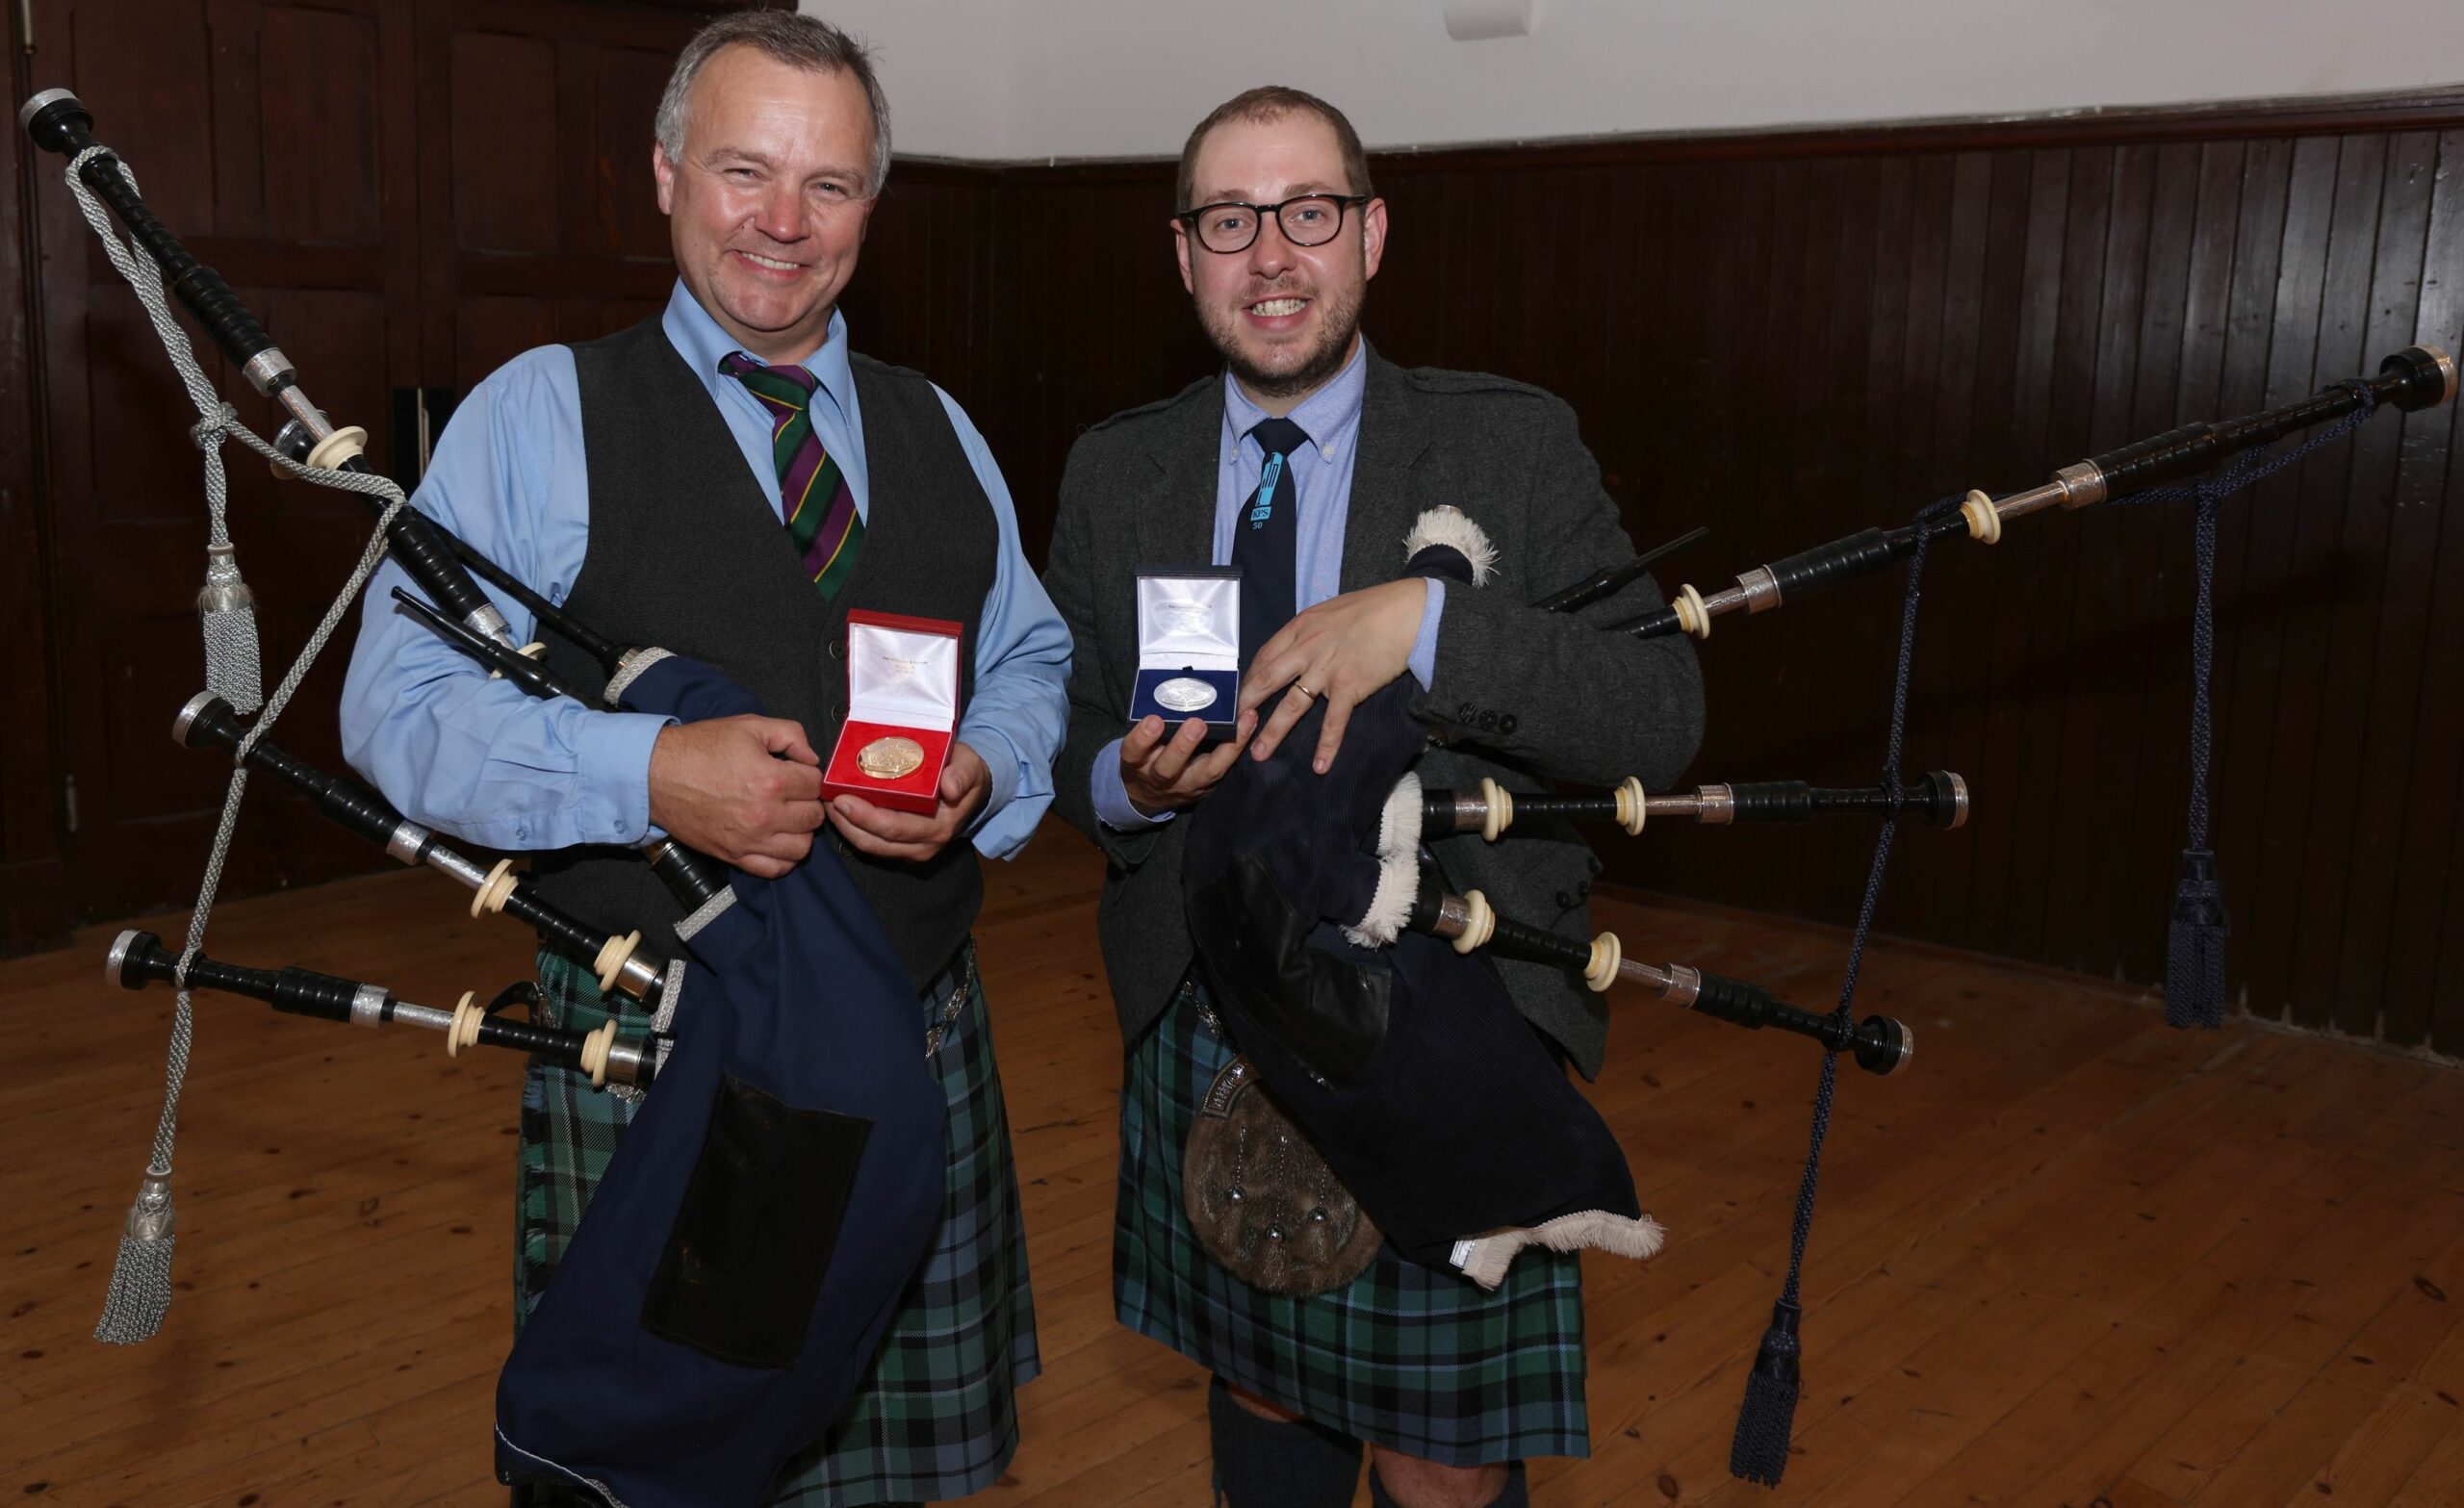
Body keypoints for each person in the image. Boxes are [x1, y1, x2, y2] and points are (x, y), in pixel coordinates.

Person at [340, 13, 1066, 1504]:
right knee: (669, 1469)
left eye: (832, 184)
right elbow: (394, 711)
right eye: (746, 170)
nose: (784, 224)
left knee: (891, 1474)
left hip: (917, 1034)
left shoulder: (942, 427)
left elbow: (1033, 658)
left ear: (875, 203)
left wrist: (985, 769)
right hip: (662, 1050)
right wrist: (647, 774)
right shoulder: (540, 417)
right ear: (665, 172)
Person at [1042, 86, 1706, 1508]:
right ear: (1184, 253)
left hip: (1441, 1005)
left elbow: (1661, 713)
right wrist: (1123, 778)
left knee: (1439, 1460)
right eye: (1230, 220)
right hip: (1207, 1002)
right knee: (1262, 1387)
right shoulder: (1119, 468)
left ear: (1372, 235)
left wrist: (1433, 627)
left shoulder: (1510, 450)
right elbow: (1074, 718)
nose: (1271, 255)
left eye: (1310, 214)